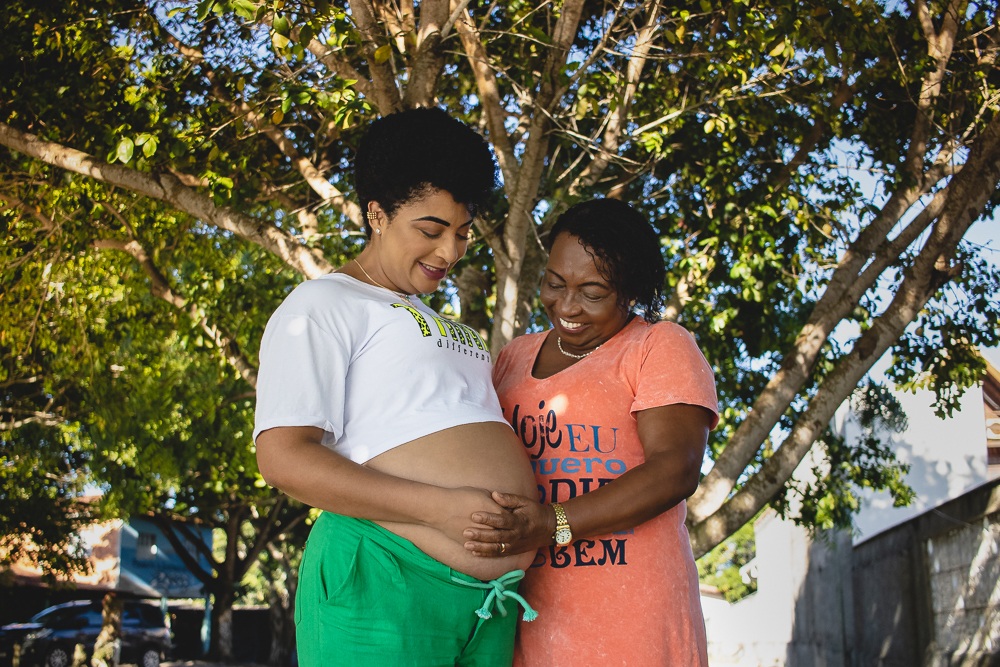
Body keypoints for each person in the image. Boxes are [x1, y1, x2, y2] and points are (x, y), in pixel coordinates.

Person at [253, 108, 538, 667]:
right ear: (377, 214)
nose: (450, 252)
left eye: (461, 234)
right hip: (385, 581)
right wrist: (440, 510)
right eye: (430, 231)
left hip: (490, 605)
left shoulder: (448, 324)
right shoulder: (323, 304)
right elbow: (283, 458)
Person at [464, 198, 719, 666]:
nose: (566, 306)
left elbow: (675, 470)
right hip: (527, 620)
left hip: (631, 628)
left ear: (630, 289)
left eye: (593, 292)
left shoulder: (657, 346)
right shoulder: (513, 357)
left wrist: (549, 523)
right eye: (554, 283)